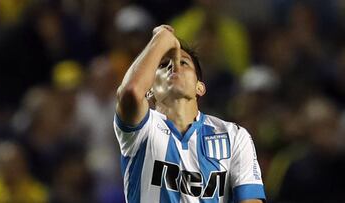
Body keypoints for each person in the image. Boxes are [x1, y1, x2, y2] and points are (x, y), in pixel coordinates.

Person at [113, 25, 266, 203]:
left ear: (199, 87)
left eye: (184, 62)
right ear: (150, 90)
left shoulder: (233, 135)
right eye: (163, 65)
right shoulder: (142, 130)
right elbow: (130, 92)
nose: (173, 66)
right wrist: (161, 38)